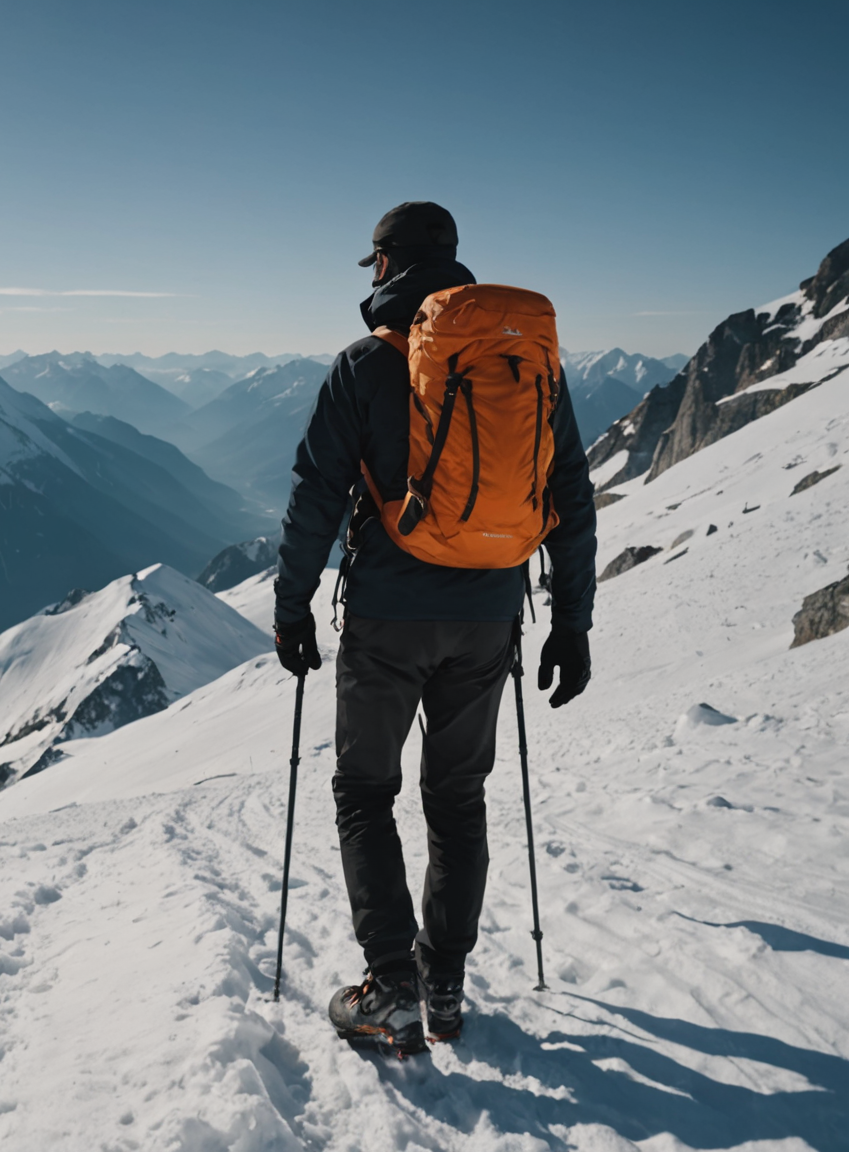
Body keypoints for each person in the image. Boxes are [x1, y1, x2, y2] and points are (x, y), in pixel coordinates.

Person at [271, 201, 597, 1052]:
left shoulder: (364, 365)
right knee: (456, 797)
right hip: (489, 614)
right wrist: (572, 623)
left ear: (385, 265)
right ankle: (444, 984)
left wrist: (292, 607)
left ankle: (392, 986)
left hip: (388, 616)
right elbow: (569, 493)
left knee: (363, 792)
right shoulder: (527, 363)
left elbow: (315, 495)